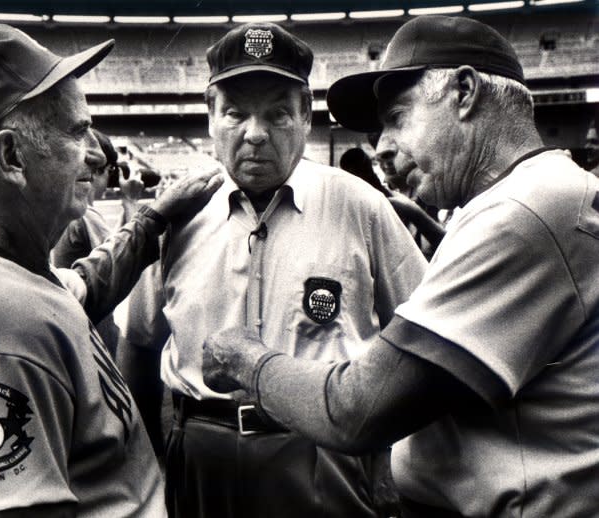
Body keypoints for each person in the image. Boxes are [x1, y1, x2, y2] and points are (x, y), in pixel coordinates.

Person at [202, 15, 599, 517]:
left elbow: (356, 409)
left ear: (464, 91)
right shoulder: (533, 195)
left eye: (397, 116)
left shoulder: (526, 209)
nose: (381, 146)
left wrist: (244, 357)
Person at [84, 22, 427, 518]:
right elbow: (139, 342)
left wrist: (395, 455)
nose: (255, 134)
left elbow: (417, 336)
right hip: (200, 454)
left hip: (323, 456)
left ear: (307, 115)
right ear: (210, 116)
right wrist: (152, 459)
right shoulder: (178, 213)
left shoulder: (360, 205)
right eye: (236, 113)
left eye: (277, 114)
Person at [0, 24, 221, 517]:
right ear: (11, 157)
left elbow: (82, 289)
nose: (96, 154)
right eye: (76, 131)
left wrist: (153, 220)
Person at [51, 128, 139, 355]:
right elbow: (128, 254)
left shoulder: (65, 210)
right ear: (97, 170)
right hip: (94, 328)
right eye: (110, 170)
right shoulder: (85, 215)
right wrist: (130, 200)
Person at [340, 147, 445, 258]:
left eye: (391, 155)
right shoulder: (381, 194)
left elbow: (448, 245)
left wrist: (413, 213)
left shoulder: (431, 193)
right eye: (381, 159)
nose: (387, 164)